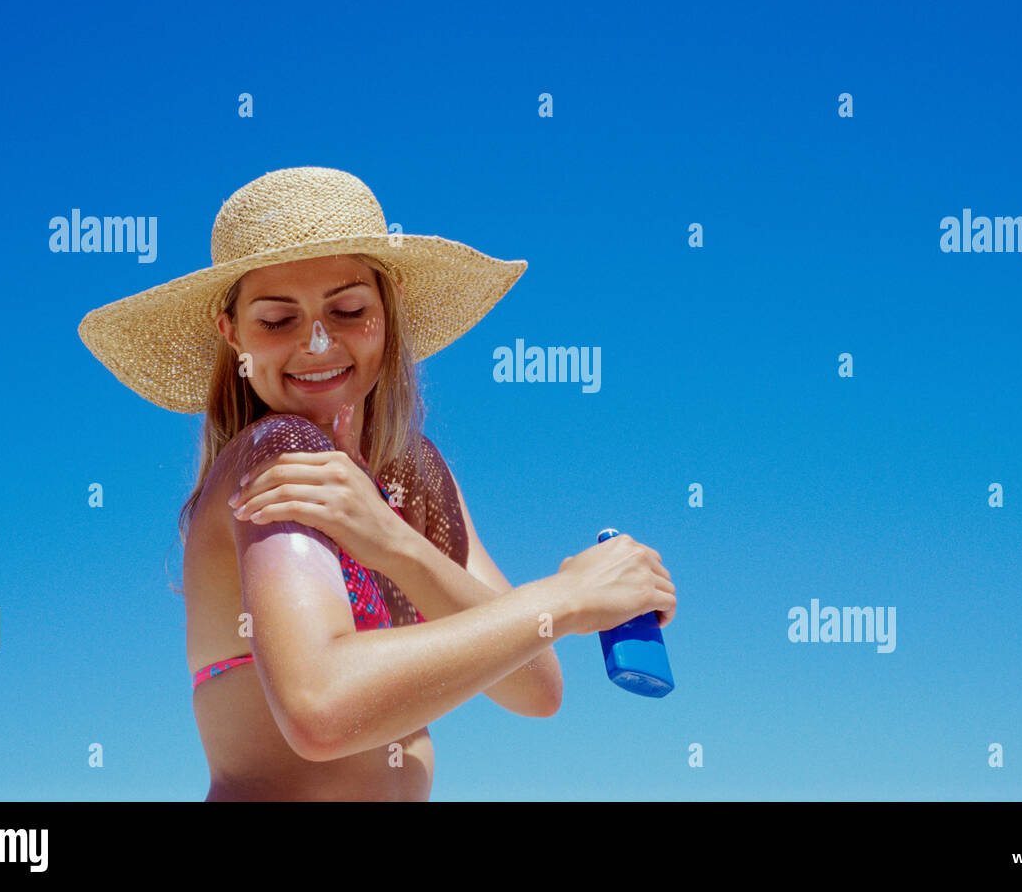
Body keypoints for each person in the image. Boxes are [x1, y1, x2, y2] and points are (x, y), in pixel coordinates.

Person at [77, 166, 676, 800]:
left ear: (386, 313)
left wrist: (392, 541)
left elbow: (534, 688)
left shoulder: (413, 476)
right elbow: (321, 710)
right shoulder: (278, 455)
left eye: (348, 309)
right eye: (278, 320)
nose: (316, 343)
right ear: (233, 335)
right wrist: (571, 594)